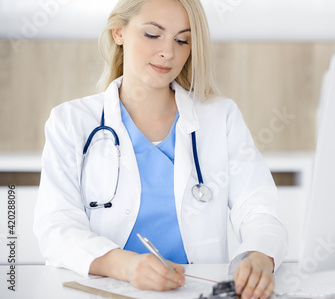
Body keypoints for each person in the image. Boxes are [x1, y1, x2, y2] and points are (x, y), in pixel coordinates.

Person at [33, 0, 288, 298]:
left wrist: (258, 254)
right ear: (118, 32)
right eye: (153, 35)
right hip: (105, 291)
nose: (169, 52)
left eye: (182, 40)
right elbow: (56, 226)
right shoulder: (71, 122)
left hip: (196, 291)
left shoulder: (221, 118)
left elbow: (259, 209)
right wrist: (125, 265)